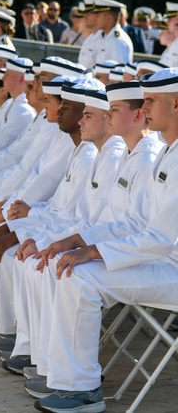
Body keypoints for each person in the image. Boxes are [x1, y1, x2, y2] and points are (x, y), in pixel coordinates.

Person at [33, 68, 178, 413]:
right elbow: (134, 221)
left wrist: (93, 252)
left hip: (170, 269)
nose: (145, 107)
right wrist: (77, 242)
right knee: (71, 266)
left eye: (152, 100)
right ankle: (64, 377)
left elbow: (159, 238)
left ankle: (82, 391)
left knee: (80, 277)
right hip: (160, 261)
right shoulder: (167, 152)